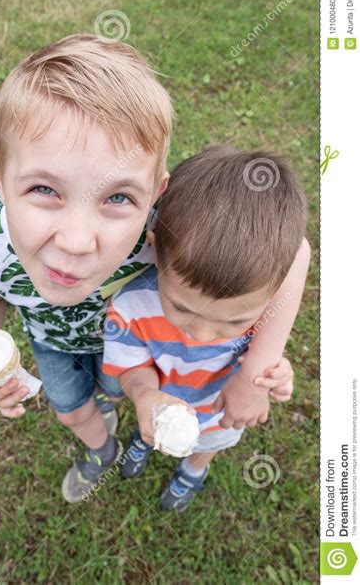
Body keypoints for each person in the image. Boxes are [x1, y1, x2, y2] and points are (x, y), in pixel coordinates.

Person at [0, 35, 307, 504]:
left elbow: (293, 251)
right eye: (42, 189)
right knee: (72, 410)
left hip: (140, 348)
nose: (76, 242)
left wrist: (254, 369)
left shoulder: (168, 230)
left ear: (156, 193)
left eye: (118, 197)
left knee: (123, 393)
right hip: (53, 342)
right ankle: (100, 448)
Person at [103, 145, 310, 511]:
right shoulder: (132, 307)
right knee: (150, 428)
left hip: (217, 419)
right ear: (156, 251)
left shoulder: (263, 310)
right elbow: (131, 367)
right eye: (182, 308)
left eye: (234, 322)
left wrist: (270, 380)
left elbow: (270, 373)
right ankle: (144, 440)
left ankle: (191, 473)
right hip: (160, 404)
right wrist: (144, 396)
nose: (200, 334)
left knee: (208, 446)